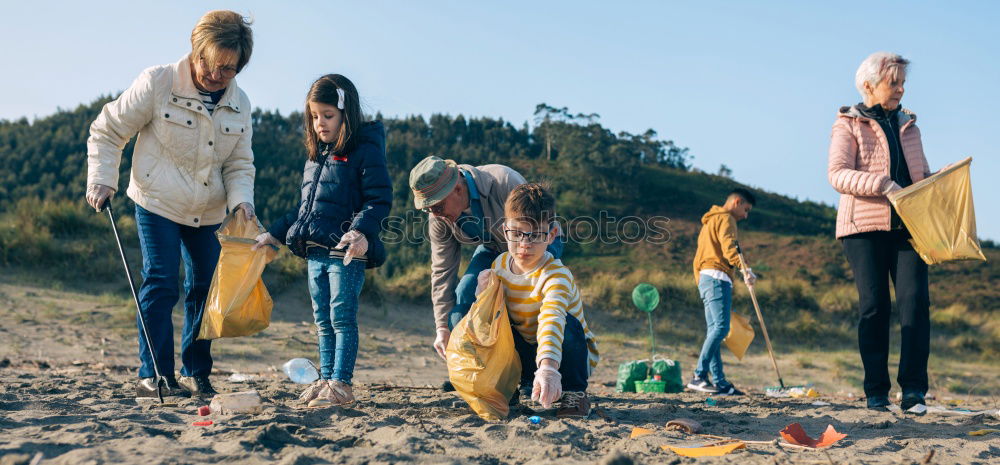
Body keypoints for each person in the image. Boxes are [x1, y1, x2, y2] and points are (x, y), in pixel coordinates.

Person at [85, 10, 256, 399]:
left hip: (209, 210)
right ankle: (156, 375)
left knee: (204, 287)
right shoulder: (158, 82)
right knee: (161, 282)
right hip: (157, 199)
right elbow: (108, 130)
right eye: (209, 65)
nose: (216, 76)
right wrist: (102, 179)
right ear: (195, 52)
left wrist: (241, 202)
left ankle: (196, 371)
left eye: (228, 70)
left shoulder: (240, 103)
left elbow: (239, 163)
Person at [253, 74, 392, 407]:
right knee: (322, 320)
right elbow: (304, 211)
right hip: (315, 253)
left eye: (327, 116)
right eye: (314, 117)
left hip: (346, 252)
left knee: (342, 318)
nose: (320, 124)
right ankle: (326, 380)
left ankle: (341, 385)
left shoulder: (364, 150)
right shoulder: (316, 158)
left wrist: (359, 231)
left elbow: (379, 199)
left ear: (346, 113)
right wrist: (273, 233)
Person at [828, 52, 935, 412]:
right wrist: (883, 184)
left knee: (915, 304)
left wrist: (940, 179)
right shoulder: (847, 124)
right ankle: (876, 392)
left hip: (910, 228)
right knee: (874, 307)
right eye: (894, 82)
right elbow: (837, 174)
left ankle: (914, 392)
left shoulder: (911, 126)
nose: (901, 89)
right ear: (869, 85)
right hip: (864, 227)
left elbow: (917, 178)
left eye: (904, 82)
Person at [408, 157, 564, 366]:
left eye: (437, 206)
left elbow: (535, 228)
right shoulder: (438, 217)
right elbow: (442, 270)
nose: (434, 213)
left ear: (457, 189)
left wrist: (517, 273)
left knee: (524, 297)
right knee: (465, 292)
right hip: (493, 248)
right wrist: (442, 328)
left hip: (536, 241)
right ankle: (481, 369)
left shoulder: (503, 180)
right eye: (428, 209)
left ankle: (532, 367)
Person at [476, 183, 598, 418]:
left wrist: (549, 368)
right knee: (500, 323)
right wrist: (483, 295)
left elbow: (551, 320)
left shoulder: (556, 275)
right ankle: (508, 390)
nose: (524, 243)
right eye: (517, 233)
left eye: (536, 235)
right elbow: (489, 319)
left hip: (563, 356)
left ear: (551, 235)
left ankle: (574, 393)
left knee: (568, 325)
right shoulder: (499, 265)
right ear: (504, 230)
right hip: (526, 354)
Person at [687, 188, 757, 396]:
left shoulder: (710, 221)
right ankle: (698, 376)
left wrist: (701, 279)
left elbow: (699, 256)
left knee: (714, 330)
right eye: (746, 209)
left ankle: (719, 382)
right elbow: (730, 249)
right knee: (720, 328)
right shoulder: (726, 219)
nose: (746, 215)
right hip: (717, 276)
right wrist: (746, 269)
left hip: (706, 278)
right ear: (736, 202)